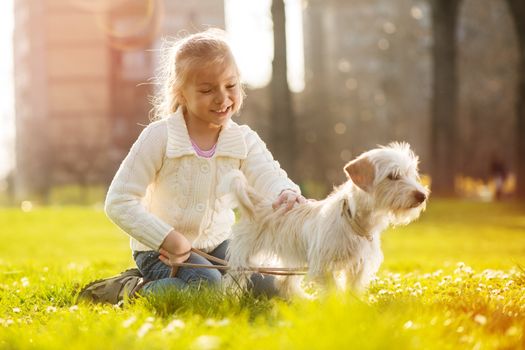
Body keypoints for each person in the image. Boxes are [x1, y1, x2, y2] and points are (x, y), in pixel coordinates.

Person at [103, 28, 305, 299]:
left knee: (269, 285)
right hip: (159, 250)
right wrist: (166, 237)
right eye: (207, 90)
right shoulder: (159, 136)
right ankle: (131, 291)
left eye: (231, 86)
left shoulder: (243, 139)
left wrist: (285, 193)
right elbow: (119, 200)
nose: (223, 98)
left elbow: (269, 174)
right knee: (208, 287)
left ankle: (211, 285)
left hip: (218, 244)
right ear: (182, 93)